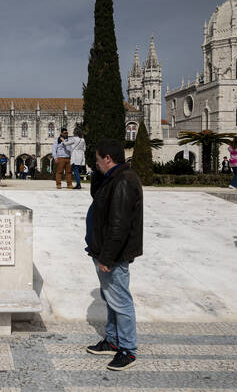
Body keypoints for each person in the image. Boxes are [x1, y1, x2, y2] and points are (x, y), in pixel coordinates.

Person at [85, 139, 143, 371]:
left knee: (121, 301)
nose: (96, 164)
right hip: (104, 250)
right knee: (111, 299)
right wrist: (97, 173)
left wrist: (107, 258)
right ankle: (112, 340)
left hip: (114, 255)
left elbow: (119, 226)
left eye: (98, 160)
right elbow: (96, 196)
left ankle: (127, 350)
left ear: (108, 159)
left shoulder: (124, 182)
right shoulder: (113, 179)